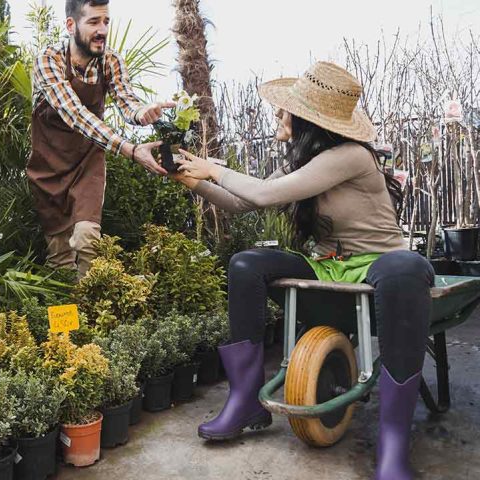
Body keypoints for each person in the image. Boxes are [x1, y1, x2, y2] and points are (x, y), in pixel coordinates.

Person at [172, 61, 433, 480]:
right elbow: (241, 202)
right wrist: (186, 177)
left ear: (308, 119)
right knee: (245, 264)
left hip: (378, 266)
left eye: (284, 110)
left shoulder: (350, 156)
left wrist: (214, 168)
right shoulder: (304, 161)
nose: (278, 116)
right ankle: (245, 401)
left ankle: (394, 446)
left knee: (406, 267)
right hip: (327, 267)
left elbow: (261, 194)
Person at [28, 0, 172, 277]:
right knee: (60, 258)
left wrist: (144, 113)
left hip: (88, 161)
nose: (103, 30)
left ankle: (94, 314)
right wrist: (131, 150)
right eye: (94, 22)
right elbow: (75, 114)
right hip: (48, 166)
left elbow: (127, 102)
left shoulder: (111, 61)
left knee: (87, 239)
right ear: (71, 25)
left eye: (106, 22)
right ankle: (71, 318)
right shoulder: (49, 60)